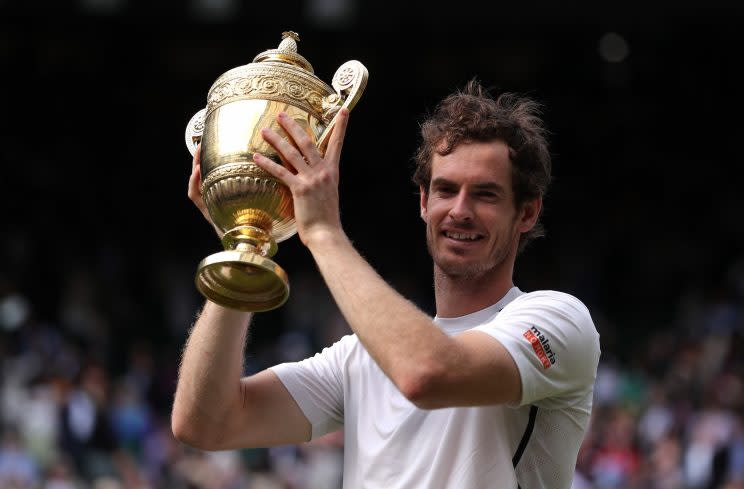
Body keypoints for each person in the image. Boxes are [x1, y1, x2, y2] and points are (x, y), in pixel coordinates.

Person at [172, 80, 601, 489]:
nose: (459, 211)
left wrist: (324, 232)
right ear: (423, 201)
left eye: (486, 194)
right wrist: (246, 243)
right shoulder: (360, 356)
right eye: (445, 190)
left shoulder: (558, 320)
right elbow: (205, 422)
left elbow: (427, 374)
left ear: (526, 213)